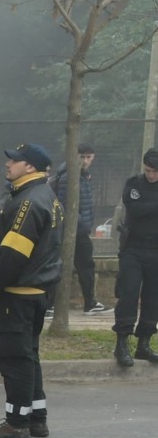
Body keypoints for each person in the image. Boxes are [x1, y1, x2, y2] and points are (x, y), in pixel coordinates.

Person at [0, 144, 64, 438]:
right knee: (28, 355)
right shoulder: (45, 196)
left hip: (18, 293)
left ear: (30, 167)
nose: (8, 165)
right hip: (37, 290)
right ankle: (36, 418)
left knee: (14, 358)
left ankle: (17, 423)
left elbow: (11, 257)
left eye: (15, 161)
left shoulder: (27, 202)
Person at [111, 147, 158, 367]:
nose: (151, 175)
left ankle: (144, 344)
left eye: (155, 171)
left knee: (153, 299)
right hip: (133, 249)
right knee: (128, 295)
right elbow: (135, 209)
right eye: (148, 170)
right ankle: (121, 343)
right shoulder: (134, 184)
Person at [52, 143, 106, 314]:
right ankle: (50, 306)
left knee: (85, 266)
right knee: (60, 267)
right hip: (71, 230)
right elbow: (64, 204)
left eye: (88, 157)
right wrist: (79, 224)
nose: (85, 161)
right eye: (81, 157)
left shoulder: (84, 176)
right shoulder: (69, 176)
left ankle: (90, 303)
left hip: (80, 229)